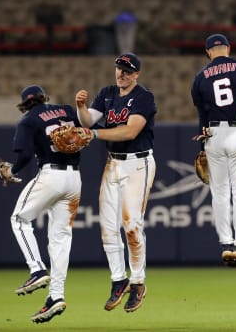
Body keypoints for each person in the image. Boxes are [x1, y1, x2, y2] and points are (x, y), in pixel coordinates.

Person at [75, 52, 156, 313]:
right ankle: (118, 279)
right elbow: (88, 120)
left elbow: (130, 131)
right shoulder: (107, 92)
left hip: (138, 163)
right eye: (119, 69)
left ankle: (138, 281)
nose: (121, 74)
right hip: (114, 163)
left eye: (127, 70)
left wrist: (93, 132)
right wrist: (81, 108)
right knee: (109, 227)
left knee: (131, 226)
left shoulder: (144, 96)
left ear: (136, 74)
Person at [6, 85, 84, 323]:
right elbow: (86, 131)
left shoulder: (28, 119)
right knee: (61, 238)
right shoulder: (66, 111)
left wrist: (11, 170)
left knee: (19, 219)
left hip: (52, 175)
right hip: (74, 179)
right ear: (43, 98)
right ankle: (56, 297)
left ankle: (37, 269)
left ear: (24, 103)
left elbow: (25, 155)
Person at [191, 33, 236, 269]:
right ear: (228, 48)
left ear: (208, 52)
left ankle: (226, 244)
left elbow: (202, 116)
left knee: (219, 193)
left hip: (214, 134)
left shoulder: (200, 78)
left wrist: (202, 147)